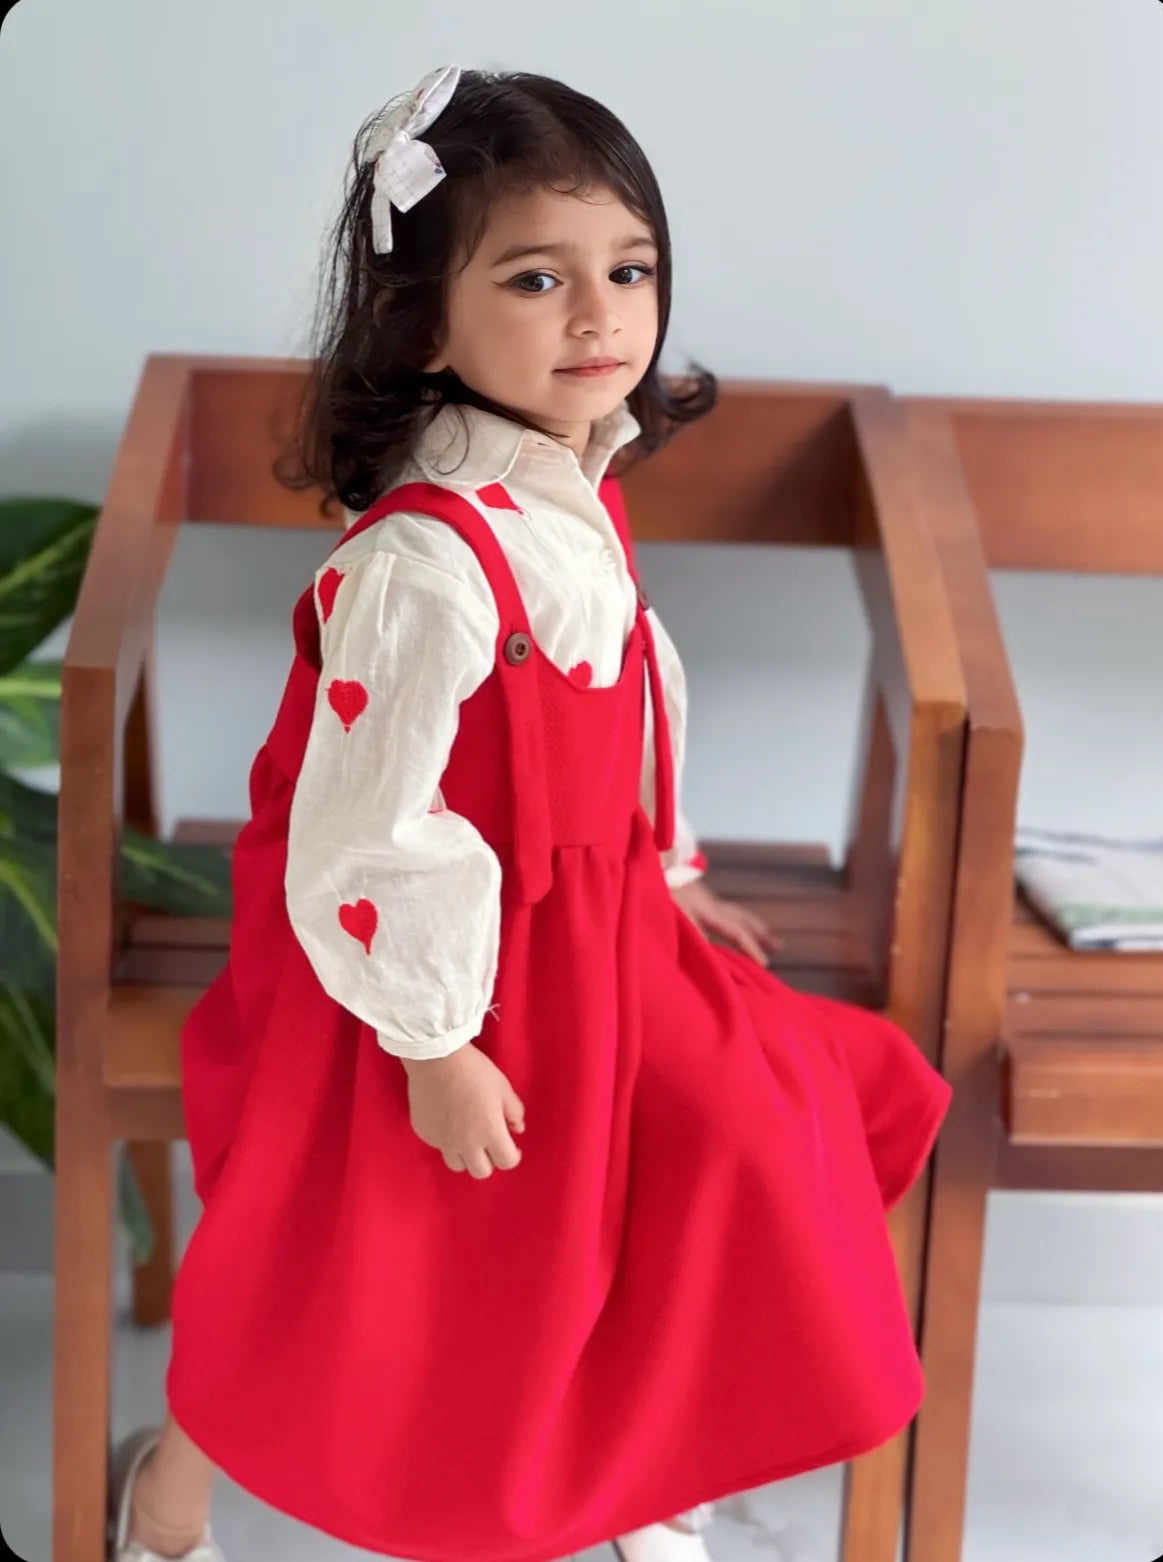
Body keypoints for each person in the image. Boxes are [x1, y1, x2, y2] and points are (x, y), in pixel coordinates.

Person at [107, 64, 953, 1562]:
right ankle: (171, 1488)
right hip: (425, 963)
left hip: (597, 916)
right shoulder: (422, 564)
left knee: (750, 1132)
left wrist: (665, 864)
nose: (598, 318)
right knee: (346, 1278)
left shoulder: (571, 485)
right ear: (425, 319)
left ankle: (642, 1471)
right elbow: (363, 825)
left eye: (628, 271)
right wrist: (433, 1039)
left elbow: (633, 680)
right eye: (537, 278)